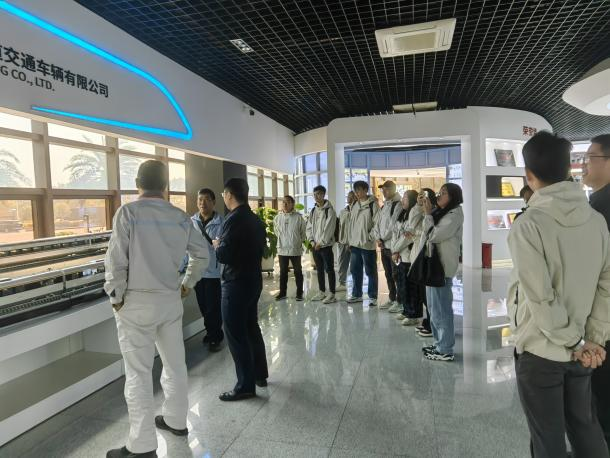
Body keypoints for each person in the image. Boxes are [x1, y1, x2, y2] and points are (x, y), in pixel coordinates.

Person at [507, 131, 610, 458]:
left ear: (529, 175)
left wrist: (575, 343)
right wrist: (592, 341)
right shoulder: (596, 221)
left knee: (547, 440)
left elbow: (540, 297)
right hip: (584, 350)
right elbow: (606, 286)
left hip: (541, 351)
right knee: (586, 429)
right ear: (568, 169)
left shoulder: (528, 225)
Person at [104, 160, 209, 458]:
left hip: (136, 303)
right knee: (175, 364)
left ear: (137, 182)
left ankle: (142, 446)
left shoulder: (128, 213)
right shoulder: (179, 217)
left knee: (138, 373)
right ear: (165, 185)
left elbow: (115, 261)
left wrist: (116, 297)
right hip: (170, 300)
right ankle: (176, 420)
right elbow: (202, 254)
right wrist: (187, 283)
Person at [212, 178, 269, 401]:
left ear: (229, 194)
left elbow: (225, 254)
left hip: (235, 283)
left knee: (236, 334)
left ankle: (245, 385)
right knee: (251, 327)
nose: (224, 198)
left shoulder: (233, 220)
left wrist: (217, 246)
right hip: (252, 280)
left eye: (223, 195)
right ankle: (259, 375)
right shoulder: (254, 219)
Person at [583, 134, 610, 454]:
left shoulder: (601, 208)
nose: (584, 164)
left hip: (603, 322)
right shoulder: (597, 203)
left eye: (591, 157)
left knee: (602, 397)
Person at [420, 183, 464, 362]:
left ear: (453, 196)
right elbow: (426, 232)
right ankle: (439, 343)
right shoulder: (441, 212)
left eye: (444, 193)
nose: (439, 195)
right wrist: (429, 213)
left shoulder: (454, 215)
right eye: (440, 191)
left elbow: (433, 235)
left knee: (441, 309)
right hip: (434, 266)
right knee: (433, 308)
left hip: (442, 268)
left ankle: (445, 349)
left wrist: (428, 215)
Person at [191, 188, 224, 352]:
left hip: (213, 271)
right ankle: (211, 331)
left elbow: (224, 246)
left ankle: (215, 336)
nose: (202, 203)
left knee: (213, 306)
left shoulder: (221, 223)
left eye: (206, 199)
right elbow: (186, 246)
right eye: (200, 199)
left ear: (213, 202)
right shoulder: (192, 222)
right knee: (203, 305)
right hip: (197, 271)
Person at [347, 180, 380, 306]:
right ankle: (357, 294)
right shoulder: (355, 204)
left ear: (366, 190)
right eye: (356, 191)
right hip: (355, 244)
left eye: (359, 190)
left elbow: (377, 224)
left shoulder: (373, 205)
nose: (357, 193)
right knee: (355, 270)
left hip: (367, 245)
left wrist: (369, 237)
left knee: (370, 271)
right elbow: (351, 224)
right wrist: (350, 240)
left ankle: (373, 296)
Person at [389, 190, 420, 323]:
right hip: (400, 254)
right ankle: (406, 310)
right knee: (402, 285)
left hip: (408, 255)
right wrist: (394, 250)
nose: (402, 200)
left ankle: (413, 315)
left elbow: (408, 237)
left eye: (405, 198)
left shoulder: (415, 213)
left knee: (411, 287)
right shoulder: (403, 214)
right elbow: (396, 233)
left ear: (412, 199)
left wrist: (395, 249)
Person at [411, 189, 437, 337]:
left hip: (430, 256)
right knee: (424, 293)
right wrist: (418, 207)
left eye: (425, 196)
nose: (422, 199)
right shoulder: (420, 210)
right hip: (419, 254)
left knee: (431, 296)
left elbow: (429, 232)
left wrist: (427, 213)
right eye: (420, 196)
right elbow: (412, 225)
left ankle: (432, 325)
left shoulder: (435, 212)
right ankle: (428, 321)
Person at [306, 185, 337, 304]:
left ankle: (332, 294)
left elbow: (329, 229)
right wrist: (312, 241)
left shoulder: (330, 211)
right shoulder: (313, 210)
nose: (316, 196)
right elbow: (309, 227)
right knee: (319, 270)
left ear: (323, 194)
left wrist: (321, 242)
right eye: (314, 194)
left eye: (318, 194)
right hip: (315, 246)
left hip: (326, 246)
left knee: (329, 270)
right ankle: (322, 291)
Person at [374, 181, 402, 310]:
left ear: (393, 189)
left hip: (393, 246)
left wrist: (382, 238)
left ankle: (400, 301)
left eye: (386, 189)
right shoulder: (384, 206)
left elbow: (393, 226)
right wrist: (378, 238)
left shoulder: (398, 205)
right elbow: (377, 224)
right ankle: (392, 298)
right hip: (383, 246)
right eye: (382, 190)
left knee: (396, 275)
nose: (384, 192)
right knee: (388, 274)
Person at [273, 195, 306, 301]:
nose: (285, 204)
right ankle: (282, 293)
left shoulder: (298, 217)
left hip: (295, 249)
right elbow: (276, 232)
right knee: (283, 272)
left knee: (298, 271)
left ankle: (299, 293)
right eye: (283, 202)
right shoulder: (277, 218)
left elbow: (303, 233)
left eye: (287, 202)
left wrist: (296, 242)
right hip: (282, 249)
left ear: (292, 204)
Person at [336, 191, 356, 291]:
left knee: (355, 266)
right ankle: (341, 283)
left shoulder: (357, 211)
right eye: (348, 196)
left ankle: (356, 285)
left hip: (354, 244)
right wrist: (338, 239)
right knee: (342, 264)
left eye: (352, 196)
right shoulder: (342, 212)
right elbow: (339, 226)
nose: (349, 198)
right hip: (343, 242)